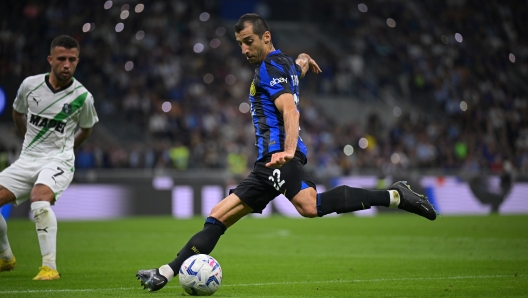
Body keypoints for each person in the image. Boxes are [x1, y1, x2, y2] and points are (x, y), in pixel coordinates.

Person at [136, 13, 437, 291]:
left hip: (280, 156)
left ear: (266, 37)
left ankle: (394, 196)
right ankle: (165, 272)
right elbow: (297, 70)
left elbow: (290, 111)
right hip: (265, 164)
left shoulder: (269, 68)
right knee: (217, 217)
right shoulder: (284, 64)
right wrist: (304, 59)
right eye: (240, 44)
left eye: (249, 42)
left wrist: (289, 151)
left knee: (309, 206)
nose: (243, 50)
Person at [0, 35, 99, 280]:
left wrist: (67, 151)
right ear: (50, 59)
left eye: (72, 60)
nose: (67, 64)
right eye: (62, 59)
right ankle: (5, 257)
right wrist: (28, 141)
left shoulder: (83, 97)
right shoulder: (29, 85)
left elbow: (86, 128)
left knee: (39, 197)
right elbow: (17, 112)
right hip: (28, 158)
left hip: (59, 160)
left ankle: (49, 267)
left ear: (77, 61)